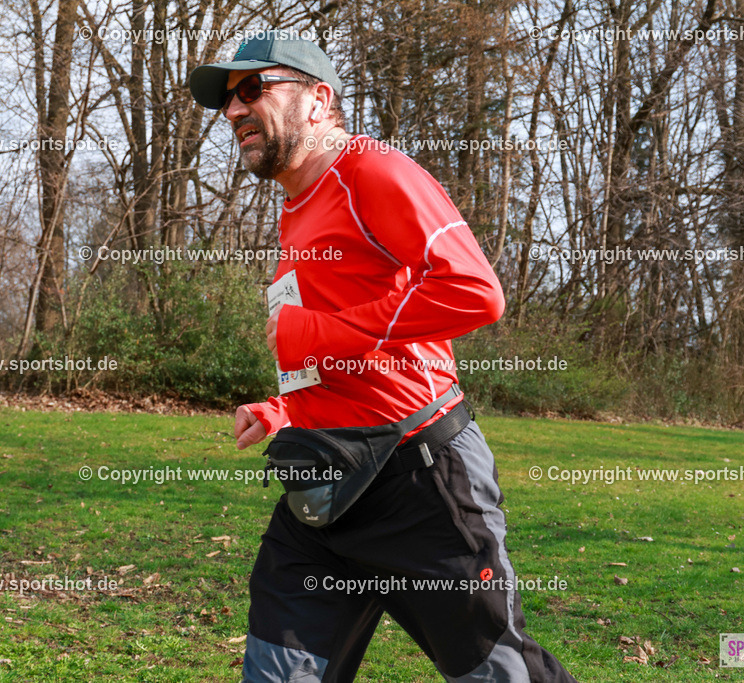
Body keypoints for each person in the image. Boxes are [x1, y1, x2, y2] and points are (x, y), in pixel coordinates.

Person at [189, 29, 578, 683]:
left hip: (419, 479)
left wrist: (322, 335)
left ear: (317, 98)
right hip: (323, 486)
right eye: (229, 98)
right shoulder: (295, 208)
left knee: (496, 673)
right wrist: (286, 407)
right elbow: (342, 342)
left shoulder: (374, 171)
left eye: (252, 89)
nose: (233, 111)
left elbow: (474, 290)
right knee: (278, 671)